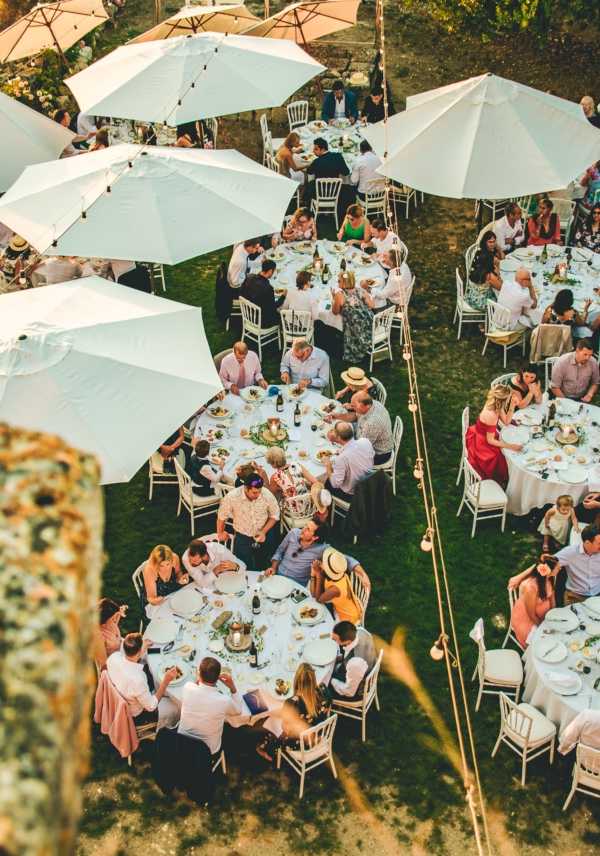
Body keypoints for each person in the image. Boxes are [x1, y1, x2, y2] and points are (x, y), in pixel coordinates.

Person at [256, 662, 330, 762]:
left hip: (300, 744)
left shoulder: (292, 703)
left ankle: (269, 750)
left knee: (273, 722)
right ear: (313, 678)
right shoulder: (324, 690)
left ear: (297, 680)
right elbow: (328, 707)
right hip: (320, 734)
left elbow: (285, 729)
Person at [107, 632, 180, 728]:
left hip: (123, 694)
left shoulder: (113, 657)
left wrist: (142, 649)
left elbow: (130, 658)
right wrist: (166, 681)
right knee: (174, 707)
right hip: (138, 715)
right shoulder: (137, 680)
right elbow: (151, 706)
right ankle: (168, 728)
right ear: (139, 651)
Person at [178, 657, 242, 754]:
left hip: (180, 744)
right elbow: (237, 711)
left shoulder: (188, 687)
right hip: (206, 752)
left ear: (199, 674)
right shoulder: (224, 700)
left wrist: (199, 678)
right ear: (218, 678)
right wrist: (232, 687)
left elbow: (195, 684)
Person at [216, 473, 280, 569]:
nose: (258, 495)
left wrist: (263, 531)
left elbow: (275, 515)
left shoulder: (266, 494)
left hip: (264, 534)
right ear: (246, 488)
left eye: (259, 491)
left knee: (263, 563)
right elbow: (221, 516)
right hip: (243, 536)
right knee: (243, 565)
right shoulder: (232, 497)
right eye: (254, 492)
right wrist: (220, 532)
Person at [302, 421, 374, 501]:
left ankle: (319, 501)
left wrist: (328, 465)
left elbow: (335, 484)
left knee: (319, 479)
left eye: (334, 430)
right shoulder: (365, 441)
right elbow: (370, 454)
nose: (332, 431)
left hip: (352, 494)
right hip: (370, 482)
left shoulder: (341, 459)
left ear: (339, 437)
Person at [465, 385, 522, 485]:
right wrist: (511, 446)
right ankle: (498, 480)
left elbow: (506, 421)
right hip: (481, 442)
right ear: (503, 400)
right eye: (509, 398)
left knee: (505, 448)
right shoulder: (492, 415)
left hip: (485, 434)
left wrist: (512, 406)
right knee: (499, 455)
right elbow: (490, 441)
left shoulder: (496, 405)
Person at [310, 548, 369, 625]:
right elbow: (313, 594)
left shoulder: (335, 589)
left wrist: (317, 574)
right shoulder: (337, 574)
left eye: (322, 563)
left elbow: (318, 599)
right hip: (340, 608)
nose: (320, 564)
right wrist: (313, 574)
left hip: (347, 619)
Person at [510, 556, 558, 648]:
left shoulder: (550, 579)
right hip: (528, 619)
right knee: (543, 644)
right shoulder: (531, 587)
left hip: (542, 616)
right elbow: (531, 615)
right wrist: (543, 626)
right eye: (558, 567)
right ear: (549, 570)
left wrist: (553, 616)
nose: (560, 568)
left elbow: (553, 600)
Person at [266, 518, 329, 585]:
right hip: (279, 575)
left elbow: (336, 559)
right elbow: (279, 552)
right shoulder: (293, 533)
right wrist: (273, 568)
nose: (303, 529)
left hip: (297, 584)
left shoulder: (321, 549)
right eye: (305, 525)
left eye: (308, 529)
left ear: (315, 537)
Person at [328, 620, 377, 700]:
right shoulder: (361, 631)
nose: (332, 639)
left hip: (356, 688)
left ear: (347, 642)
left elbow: (349, 692)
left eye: (335, 639)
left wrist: (330, 680)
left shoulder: (355, 663)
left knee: (320, 684)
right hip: (360, 669)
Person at [332, 270, 374, 362]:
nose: (338, 282)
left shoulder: (339, 295)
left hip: (355, 327)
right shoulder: (361, 290)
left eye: (339, 281)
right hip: (370, 323)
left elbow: (335, 312)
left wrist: (333, 299)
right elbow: (371, 305)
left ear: (344, 282)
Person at [142, 544, 190, 612]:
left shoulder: (174, 558)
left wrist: (180, 579)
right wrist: (157, 600)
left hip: (172, 589)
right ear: (156, 564)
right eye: (161, 566)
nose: (166, 569)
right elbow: (151, 598)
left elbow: (178, 572)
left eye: (168, 564)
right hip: (158, 598)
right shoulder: (149, 570)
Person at [240, 258, 284, 327]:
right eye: (274, 271)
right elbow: (273, 307)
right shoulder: (268, 288)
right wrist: (283, 296)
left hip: (247, 314)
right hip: (262, 321)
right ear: (270, 271)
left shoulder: (249, 277)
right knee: (283, 316)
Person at [467, 231, 503, 310]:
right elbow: (502, 288)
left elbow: (501, 259)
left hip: (472, 294)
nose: (493, 244)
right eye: (490, 242)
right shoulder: (489, 274)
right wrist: (498, 273)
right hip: (479, 301)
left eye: (494, 242)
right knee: (504, 302)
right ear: (485, 242)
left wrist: (498, 249)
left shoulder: (481, 252)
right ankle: (490, 321)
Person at [95, 598, 127, 670]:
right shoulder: (99, 637)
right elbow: (103, 667)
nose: (116, 620)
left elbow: (118, 612)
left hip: (126, 652)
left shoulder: (112, 623)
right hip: (117, 667)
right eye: (113, 619)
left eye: (116, 616)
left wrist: (121, 610)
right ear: (104, 621)